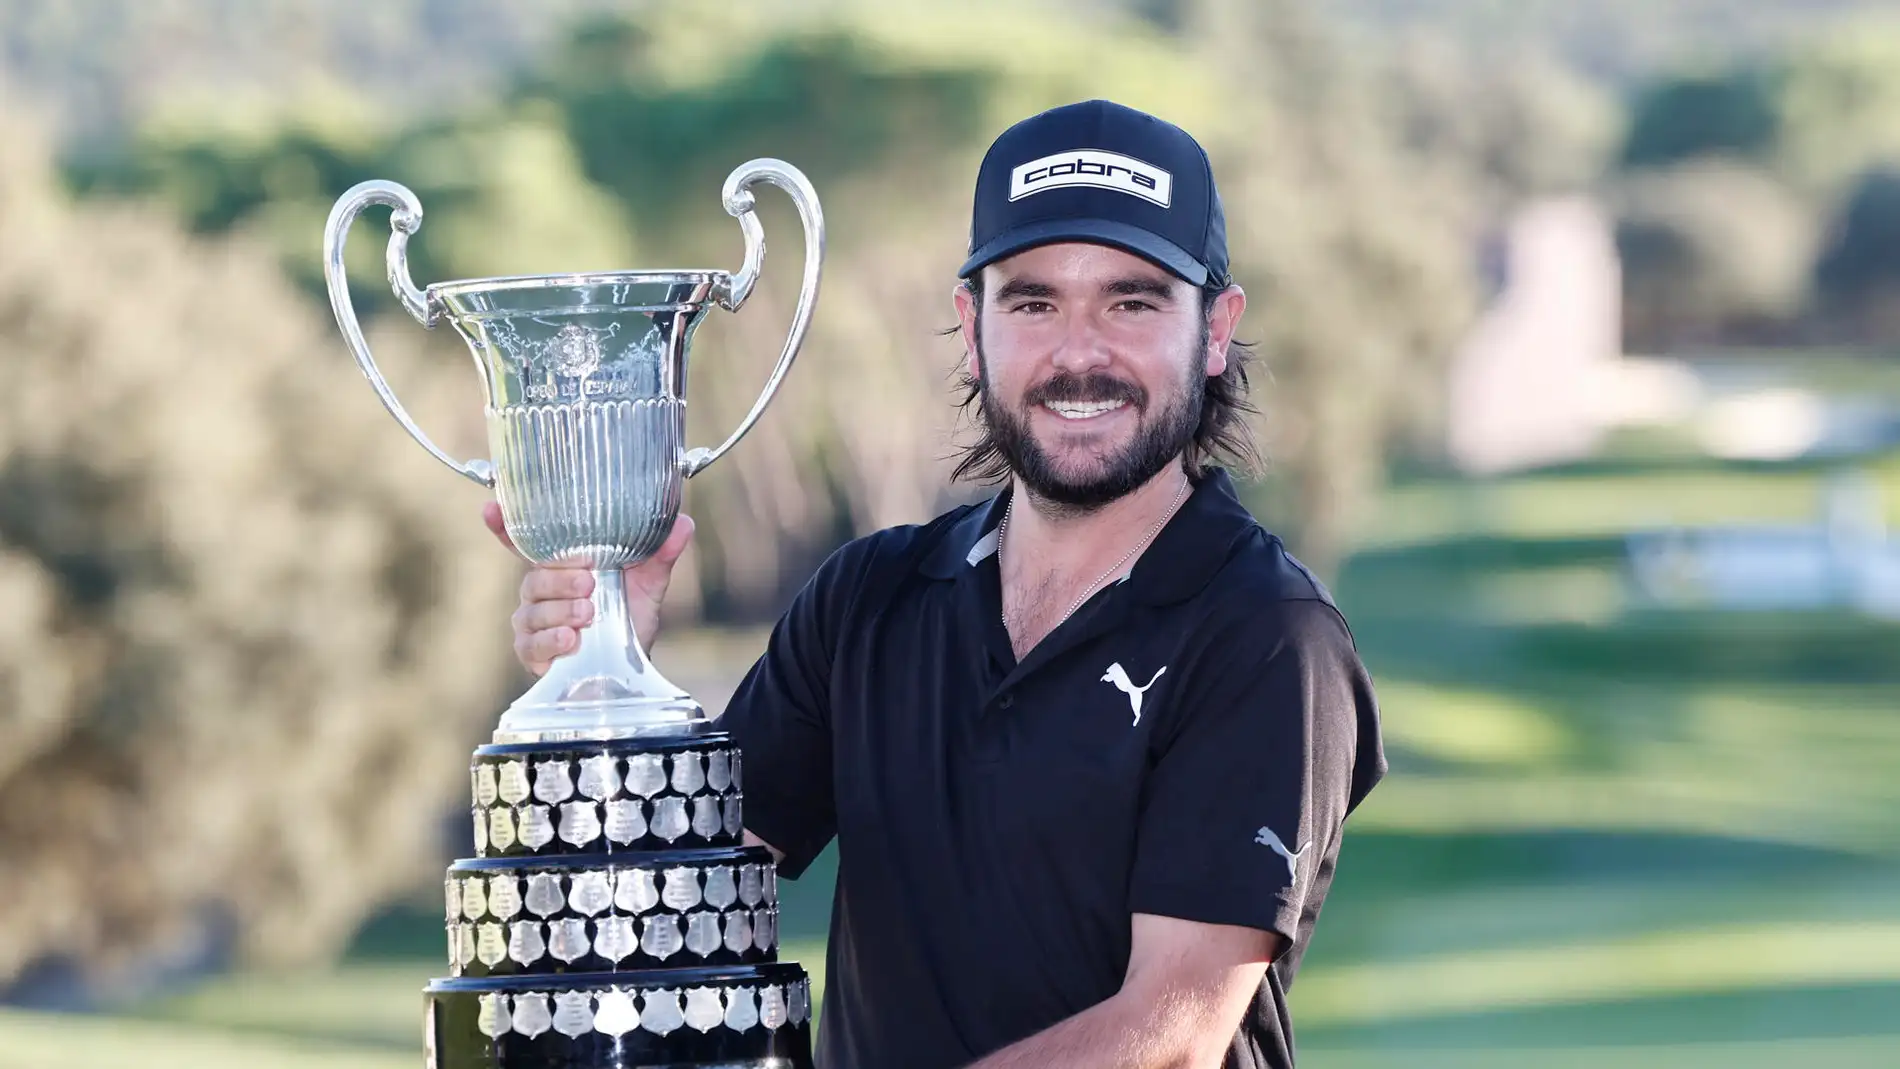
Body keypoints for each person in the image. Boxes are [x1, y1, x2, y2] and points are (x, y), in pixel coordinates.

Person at [487, 99, 1386, 1069]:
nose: (1078, 354)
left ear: (1214, 329)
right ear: (972, 326)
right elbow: (674, 906)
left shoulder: (1264, 634)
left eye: (1131, 302)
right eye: (1033, 302)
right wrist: (604, 680)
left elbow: (1167, 1031)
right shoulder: (869, 600)